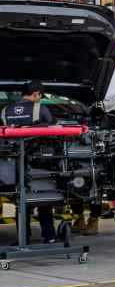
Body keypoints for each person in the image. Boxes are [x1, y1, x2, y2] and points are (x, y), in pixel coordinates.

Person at [3, 80, 57, 243]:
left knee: (20, 198)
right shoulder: (40, 108)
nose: (40, 99)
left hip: (13, 163)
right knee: (43, 198)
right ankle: (49, 236)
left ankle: (23, 237)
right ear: (36, 94)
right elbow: (53, 130)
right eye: (40, 96)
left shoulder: (6, 110)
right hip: (38, 161)